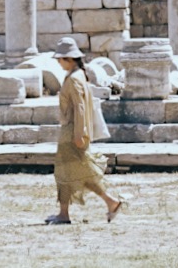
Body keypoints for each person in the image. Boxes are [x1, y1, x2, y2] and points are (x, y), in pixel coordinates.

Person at [46, 37, 126, 225]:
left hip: (71, 132)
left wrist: (79, 134)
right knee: (82, 171)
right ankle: (110, 202)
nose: (59, 63)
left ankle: (64, 214)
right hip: (72, 130)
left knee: (64, 172)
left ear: (69, 59)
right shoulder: (79, 75)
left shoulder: (74, 78)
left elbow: (80, 107)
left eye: (61, 59)